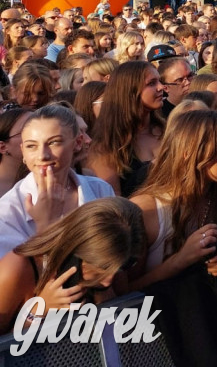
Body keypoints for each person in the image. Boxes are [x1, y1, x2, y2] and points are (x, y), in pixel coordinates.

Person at [128, 108, 217, 367]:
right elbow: (125, 290)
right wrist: (181, 260)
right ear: (189, 153)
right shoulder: (145, 209)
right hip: (156, 347)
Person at [0, 197, 147, 334]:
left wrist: (103, 298)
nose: (108, 280)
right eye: (99, 270)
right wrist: (39, 310)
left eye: (121, 268)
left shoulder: (118, 258)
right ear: (75, 250)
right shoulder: (16, 270)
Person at [0, 104, 116, 258]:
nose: (42, 155)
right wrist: (45, 226)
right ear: (23, 151)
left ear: (78, 143)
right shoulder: (8, 210)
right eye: (31, 146)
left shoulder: (101, 190)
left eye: (54, 142)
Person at [87, 61, 166, 197]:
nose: (161, 87)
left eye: (160, 81)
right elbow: (113, 201)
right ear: (130, 91)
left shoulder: (168, 130)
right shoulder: (107, 146)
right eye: (152, 83)